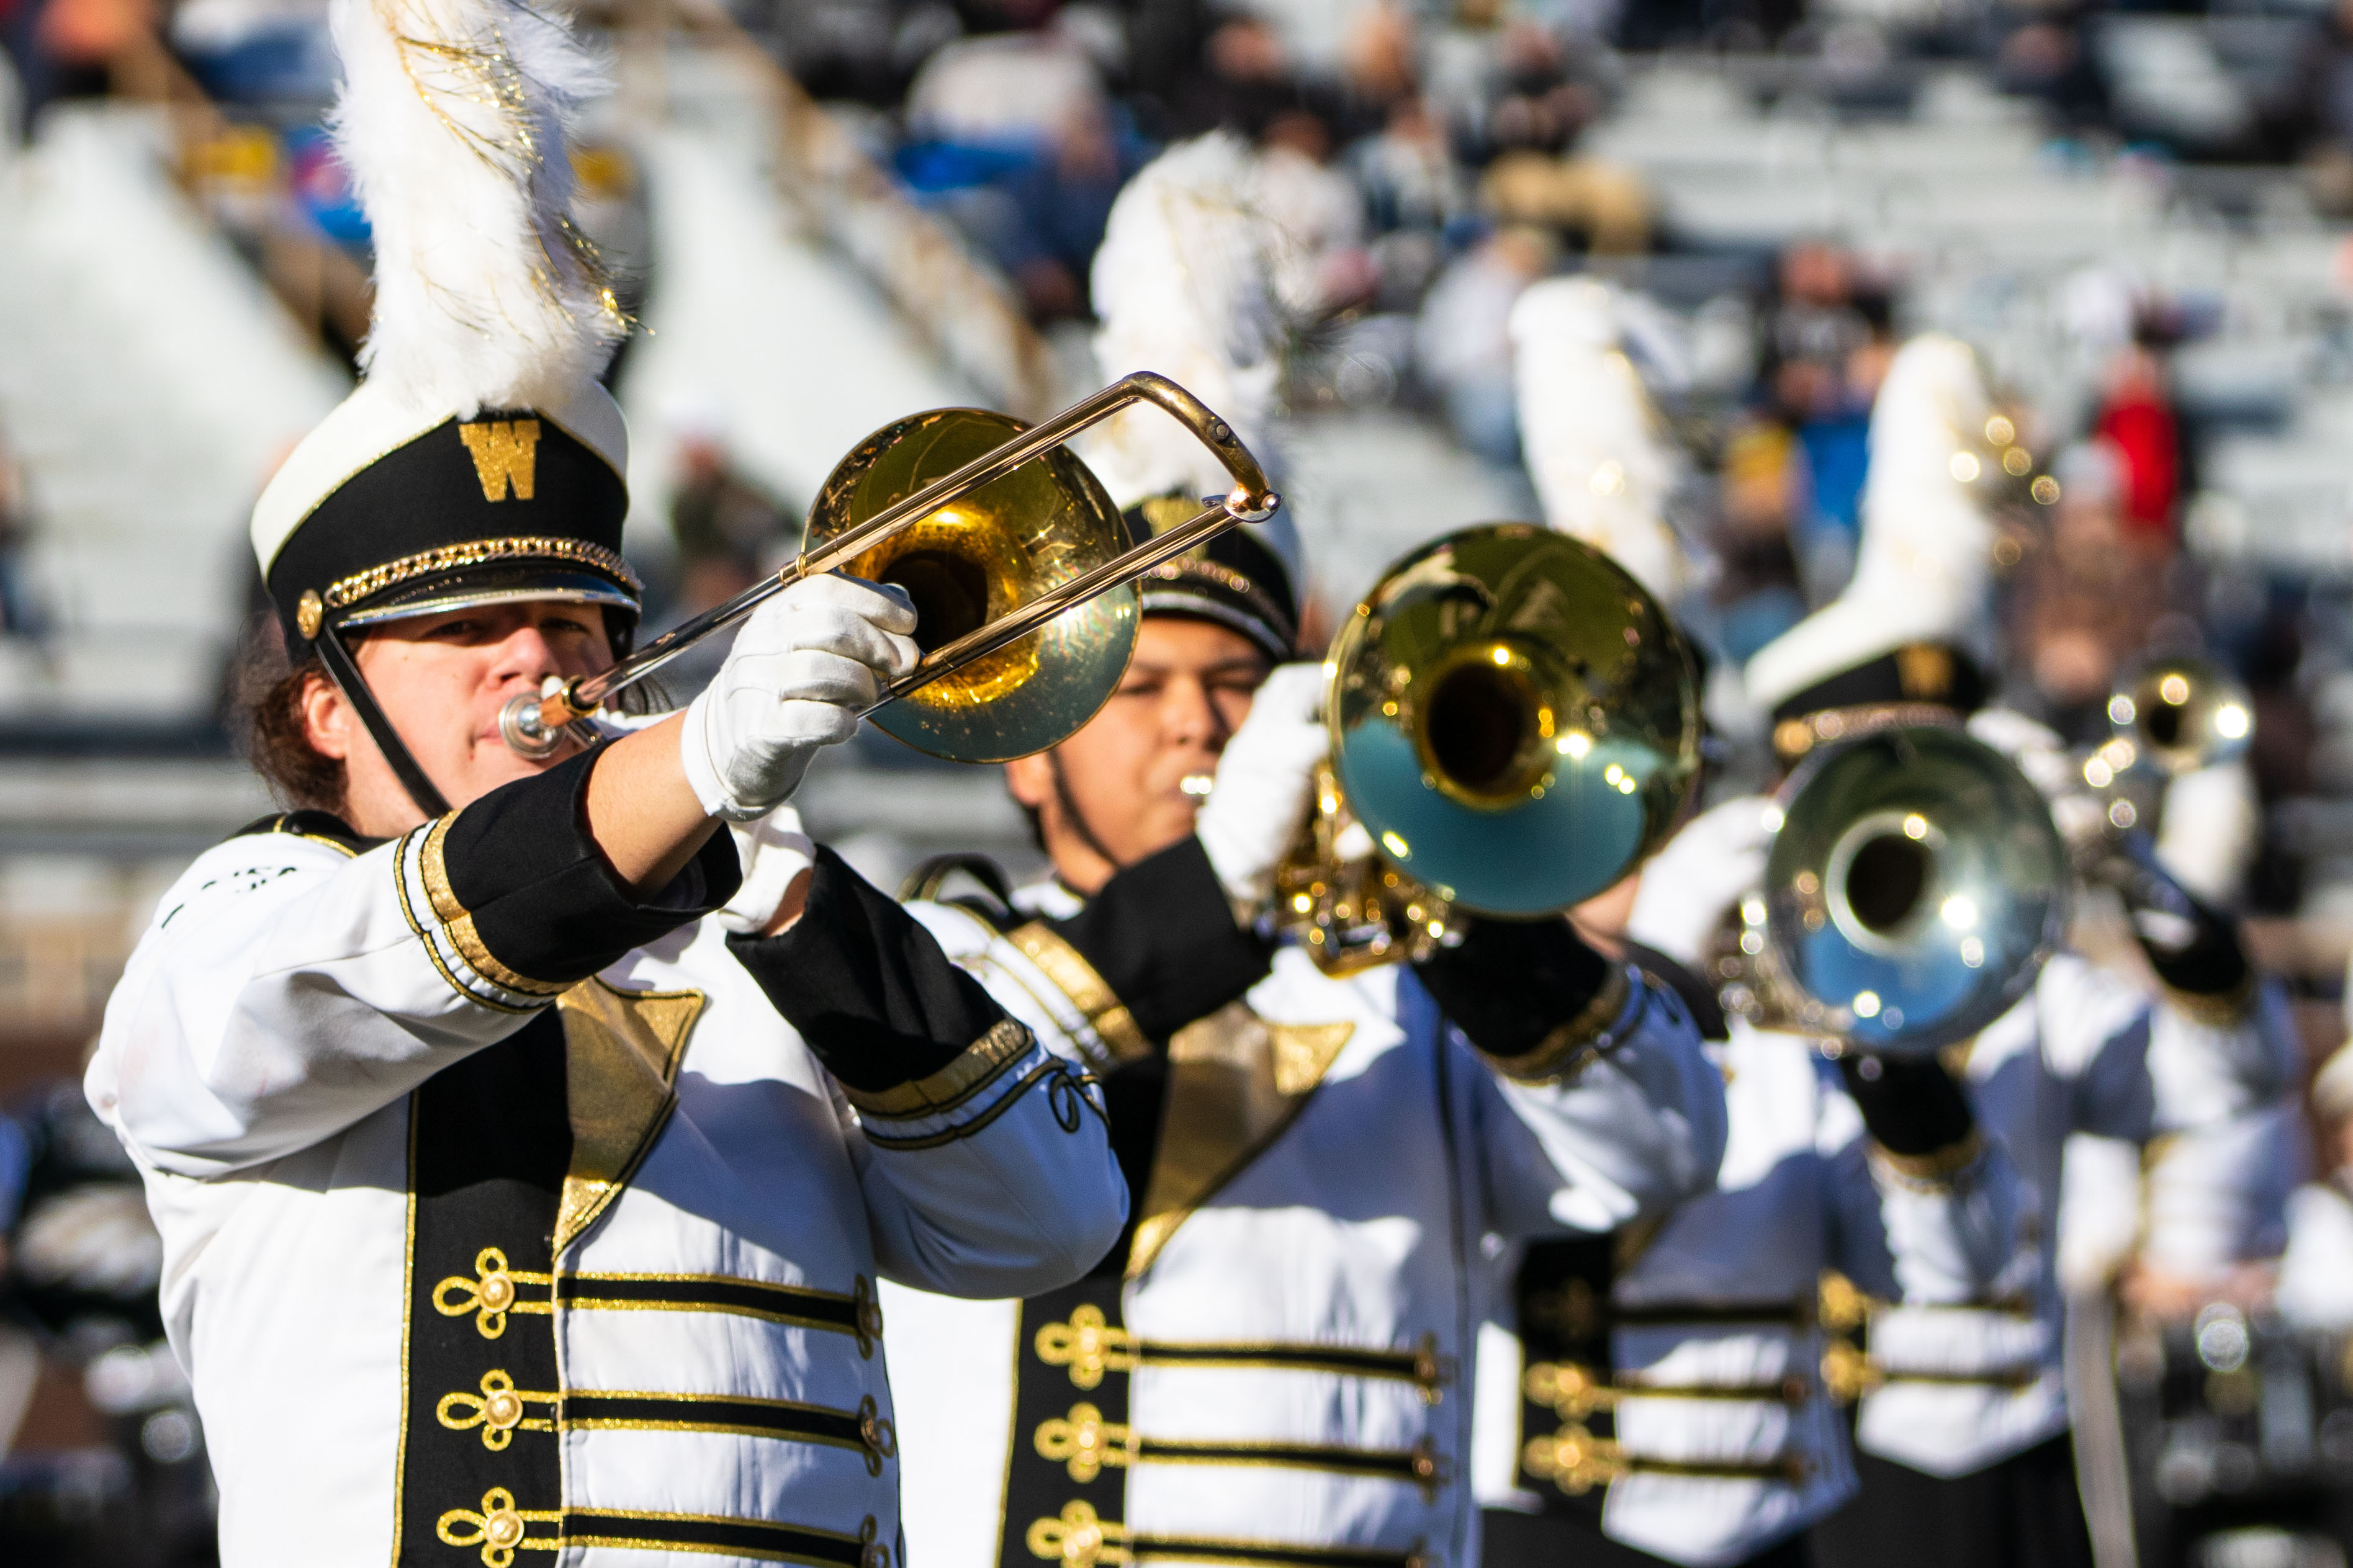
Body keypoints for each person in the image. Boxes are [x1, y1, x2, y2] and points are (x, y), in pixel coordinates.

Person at [83, 1, 1125, 1561]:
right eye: (469, 629)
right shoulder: (242, 919)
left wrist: (784, 885)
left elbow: (1046, 1226)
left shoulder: (770, 931)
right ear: (324, 703)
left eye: (576, 623)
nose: (537, 661)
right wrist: (688, 764)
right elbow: (350, 983)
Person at [875, 138, 1730, 1568]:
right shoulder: (952, 955)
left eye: (1233, 690)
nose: (1197, 730)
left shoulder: (1405, 981)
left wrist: (1449, 895)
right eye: (1141, 693)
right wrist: (1211, 893)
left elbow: (1660, 1145)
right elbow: (983, 1096)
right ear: (1031, 746)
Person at [1704, 336, 2295, 1568]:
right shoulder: (1727, 963)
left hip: (2024, 1452)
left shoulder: (2031, 980)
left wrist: (2141, 878)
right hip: (1822, 1457)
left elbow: (2229, 1080)